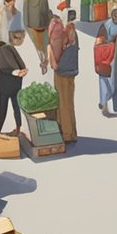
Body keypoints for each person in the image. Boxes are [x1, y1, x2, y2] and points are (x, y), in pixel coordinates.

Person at [48, 10, 79, 143]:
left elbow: (56, 51)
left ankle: (66, 134)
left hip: (62, 70)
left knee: (63, 102)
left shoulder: (57, 29)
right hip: (72, 70)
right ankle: (72, 132)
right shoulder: (72, 30)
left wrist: (51, 61)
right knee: (69, 101)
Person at [0, 39, 27, 136]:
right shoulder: (11, 50)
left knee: (2, 109)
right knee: (16, 107)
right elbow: (20, 66)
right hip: (16, 86)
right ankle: (18, 127)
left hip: (4, 88)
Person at [24, 0, 50, 73]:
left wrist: (26, 23)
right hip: (42, 25)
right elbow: (45, 12)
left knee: (37, 45)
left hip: (31, 25)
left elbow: (25, 10)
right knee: (44, 44)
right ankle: (44, 62)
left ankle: (42, 60)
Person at [94, 31, 115, 113]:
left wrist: (96, 68)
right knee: (110, 84)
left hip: (101, 68)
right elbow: (112, 56)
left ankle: (103, 102)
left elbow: (96, 60)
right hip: (108, 68)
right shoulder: (111, 46)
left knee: (102, 85)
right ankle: (109, 99)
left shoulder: (97, 48)